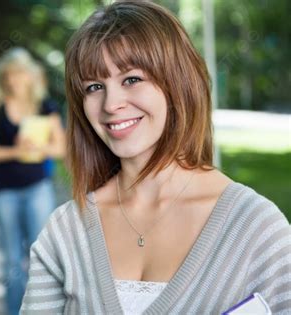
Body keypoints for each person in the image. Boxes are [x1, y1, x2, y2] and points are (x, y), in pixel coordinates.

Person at [21, 1, 291, 314]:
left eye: (131, 79)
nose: (111, 104)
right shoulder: (67, 231)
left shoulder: (256, 229)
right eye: (94, 87)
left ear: (177, 83)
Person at [0, 47, 66, 315]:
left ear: (30, 76)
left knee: (40, 256)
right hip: (5, 192)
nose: (14, 80)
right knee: (13, 260)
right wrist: (16, 150)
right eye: (9, 75)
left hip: (38, 187)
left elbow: (59, 149)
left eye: (19, 74)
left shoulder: (45, 107)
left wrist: (36, 148)